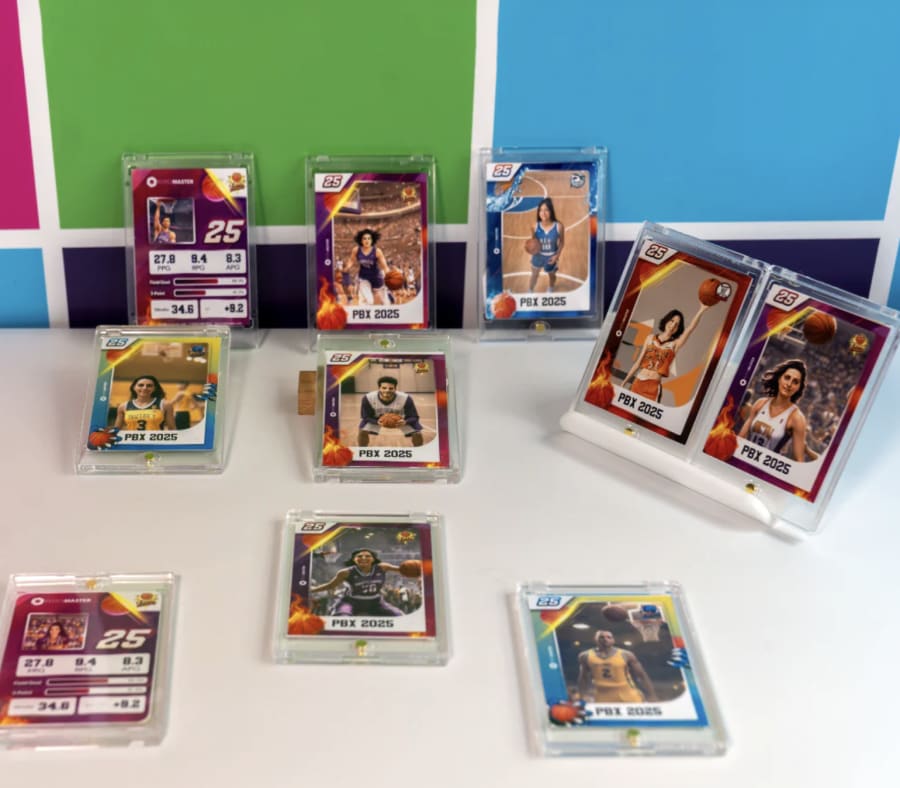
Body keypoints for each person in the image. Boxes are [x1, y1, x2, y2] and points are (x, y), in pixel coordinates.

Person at [622, 303, 712, 402]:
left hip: (653, 388)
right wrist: (623, 383)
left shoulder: (675, 344)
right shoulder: (650, 338)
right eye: (672, 321)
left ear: (678, 329)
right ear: (666, 320)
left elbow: (690, 329)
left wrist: (701, 310)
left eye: (677, 324)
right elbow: (638, 363)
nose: (673, 325)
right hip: (638, 382)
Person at [739, 358, 809, 462]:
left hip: (765, 468)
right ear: (779, 378)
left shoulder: (797, 418)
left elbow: (799, 460)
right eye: (787, 378)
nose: (789, 384)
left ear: (798, 387)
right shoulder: (760, 403)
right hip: (742, 460)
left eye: (795, 382)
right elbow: (741, 437)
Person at [310, 548, 405, 616]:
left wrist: (413, 569)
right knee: (342, 618)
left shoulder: (382, 567)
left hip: (375, 602)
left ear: (373, 559)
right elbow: (330, 585)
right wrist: (312, 590)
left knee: (399, 615)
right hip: (352, 601)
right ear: (354, 560)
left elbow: (402, 569)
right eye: (359, 556)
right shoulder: (345, 572)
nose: (363, 558)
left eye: (367, 556)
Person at [577, 630, 658, 703]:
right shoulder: (585, 656)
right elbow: (583, 678)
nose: (605, 639)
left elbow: (641, 676)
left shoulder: (626, 654)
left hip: (626, 693)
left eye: (609, 637)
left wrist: (652, 695)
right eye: (601, 637)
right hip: (602, 695)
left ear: (613, 640)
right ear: (595, 639)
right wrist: (582, 695)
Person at [358, 376, 424, 447]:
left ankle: (419, 450)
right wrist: (376, 422)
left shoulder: (405, 398)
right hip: (376, 418)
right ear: (379, 388)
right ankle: (363, 450)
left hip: (401, 420)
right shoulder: (368, 398)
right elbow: (365, 416)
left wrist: (405, 421)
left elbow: (414, 417)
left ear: (395, 389)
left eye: (391, 388)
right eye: (384, 388)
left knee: (417, 433)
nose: (387, 390)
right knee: (362, 431)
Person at [527, 198, 566, 293]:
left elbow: (562, 242)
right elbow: (534, 241)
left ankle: (551, 287)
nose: (543, 213)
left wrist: (557, 256)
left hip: (551, 257)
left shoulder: (559, 226)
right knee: (534, 275)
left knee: (552, 276)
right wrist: (531, 249)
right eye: (541, 210)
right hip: (538, 256)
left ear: (551, 211)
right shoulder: (534, 226)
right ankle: (530, 291)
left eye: (546, 210)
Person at [347, 228, 389, 305]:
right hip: (364, 277)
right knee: (369, 301)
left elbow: (385, 267)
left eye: (369, 238)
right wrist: (348, 267)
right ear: (361, 240)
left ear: (372, 240)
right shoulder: (356, 250)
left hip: (376, 277)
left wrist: (389, 275)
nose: (367, 240)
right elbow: (351, 260)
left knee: (385, 302)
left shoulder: (377, 251)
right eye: (364, 238)